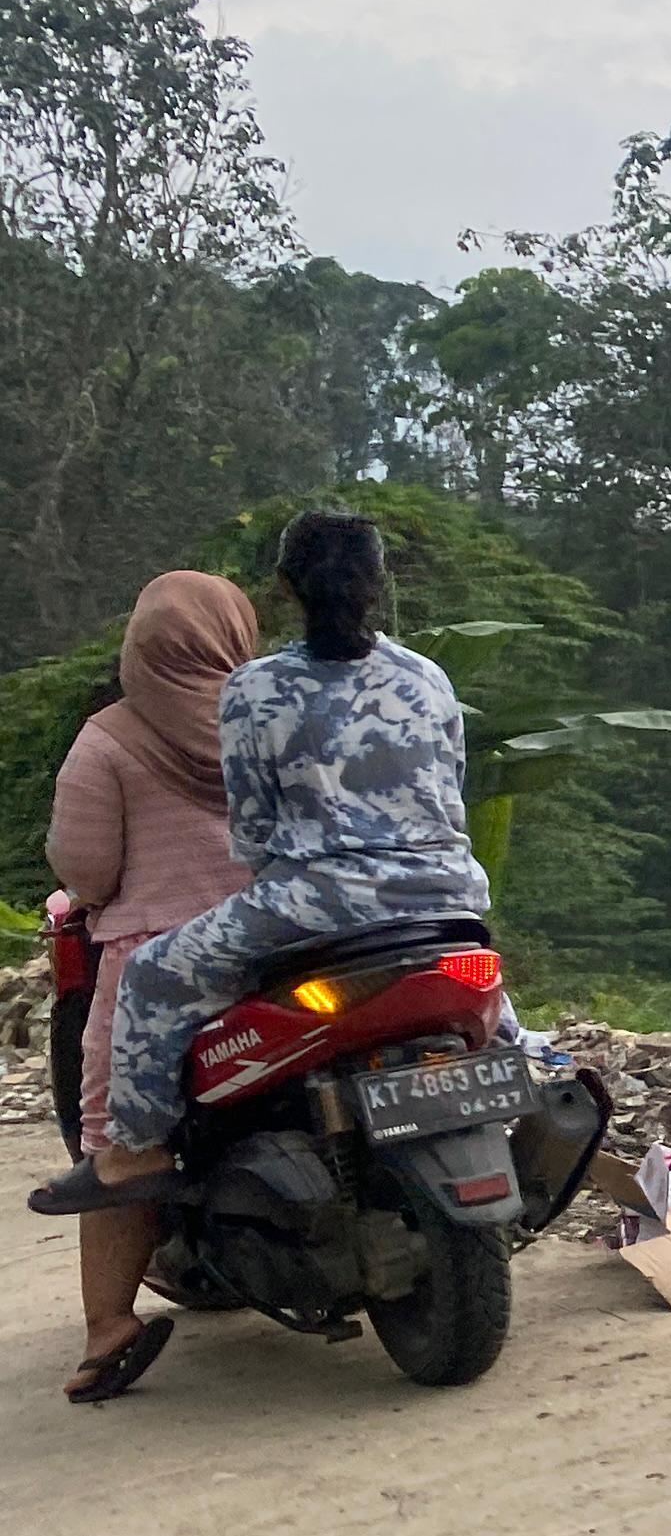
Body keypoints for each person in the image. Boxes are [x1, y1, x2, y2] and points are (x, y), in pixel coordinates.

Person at [39, 514, 493, 1244]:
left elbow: (253, 832)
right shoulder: (427, 676)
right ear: (379, 583)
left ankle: (135, 1148)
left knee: (150, 974)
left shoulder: (256, 689)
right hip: (450, 891)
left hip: (317, 903)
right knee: (483, 989)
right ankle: (526, 1068)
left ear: (284, 588)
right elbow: (449, 792)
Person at [38, 577, 259, 1401]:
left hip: (156, 969)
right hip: (284, 944)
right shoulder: (273, 718)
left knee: (117, 1133)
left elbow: (87, 871)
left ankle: (108, 1330)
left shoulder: (108, 737)